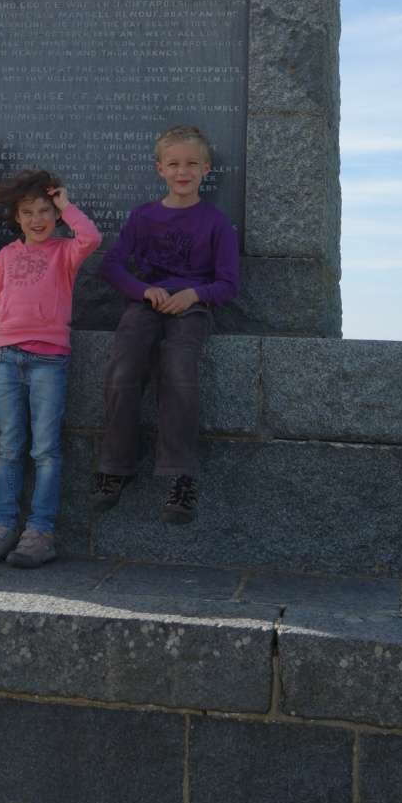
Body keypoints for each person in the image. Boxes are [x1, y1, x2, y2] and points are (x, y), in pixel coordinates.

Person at [90, 124, 238, 524]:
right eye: (173, 164)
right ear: (160, 169)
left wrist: (195, 295)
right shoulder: (144, 216)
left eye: (191, 164)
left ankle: (180, 475)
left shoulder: (216, 223)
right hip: (146, 304)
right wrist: (142, 290)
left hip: (191, 308)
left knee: (179, 372)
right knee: (122, 369)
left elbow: (228, 283)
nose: (182, 171)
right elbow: (111, 265)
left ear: (206, 169)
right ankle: (115, 466)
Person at [0, 171, 100, 568]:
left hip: (49, 361)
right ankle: (4, 526)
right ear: (17, 217)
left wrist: (66, 206)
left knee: (45, 449)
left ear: (55, 215)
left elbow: (91, 238)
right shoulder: (7, 257)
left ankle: (40, 532)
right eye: (28, 212)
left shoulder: (65, 253)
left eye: (44, 211)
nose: (37, 219)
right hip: (7, 359)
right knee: (9, 447)